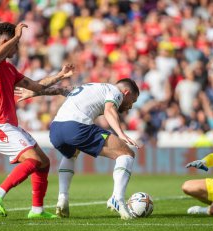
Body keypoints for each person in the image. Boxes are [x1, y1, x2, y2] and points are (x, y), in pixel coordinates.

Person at [0, 22, 74, 219]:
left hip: (9, 126)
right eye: (15, 44)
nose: (18, 47)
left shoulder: (10, 70)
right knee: (33, 160)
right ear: (6, 42)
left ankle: (37, 210)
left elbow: (37, 87)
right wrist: (17, 35)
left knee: (44, 162)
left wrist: (60, 76)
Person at [16, 79, 140, 220]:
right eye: (132, 101)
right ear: (126, 92)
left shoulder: (87, 87)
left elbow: (59, 89)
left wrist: (33, 93)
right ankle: (117, 198)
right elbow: (109, 109)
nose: (130, 106)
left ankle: (62, 198)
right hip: (76, 127)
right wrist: (121, 134)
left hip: (56, 129)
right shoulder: (116, 92)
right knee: (126, 154)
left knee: (71, 154)